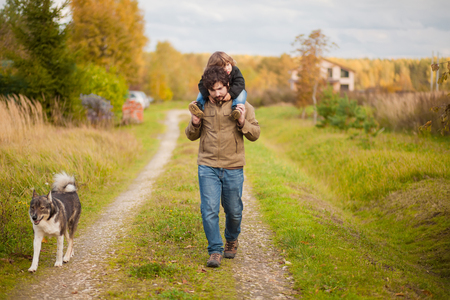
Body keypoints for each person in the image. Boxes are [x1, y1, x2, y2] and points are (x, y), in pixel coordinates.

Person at [185, 66, 260, 268]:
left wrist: (242, 121)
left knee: (234, 211)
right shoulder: (202, 107)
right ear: (206, 90)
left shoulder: (242, 106)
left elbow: (255, 134)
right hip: (207, 165)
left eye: (220, 88)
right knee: (208, 210)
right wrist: (194, 122)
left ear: (228, 85)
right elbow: (191, 136)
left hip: (233, 166)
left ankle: (231, 239)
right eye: (212, 90)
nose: (217, 93)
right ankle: (215, 250)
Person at [189, 51, 247, 121]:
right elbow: (201, 84)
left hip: (234, 90)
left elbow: (240, 83)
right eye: (222, 67)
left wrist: (231, 94)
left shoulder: (234, 70)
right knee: (201, 92)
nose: (227, 68)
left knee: (242, 92)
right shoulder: (210, 75)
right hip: (215, 94)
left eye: (228, 64)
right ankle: (199, 106)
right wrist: (208, 95)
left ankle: (236, 109)